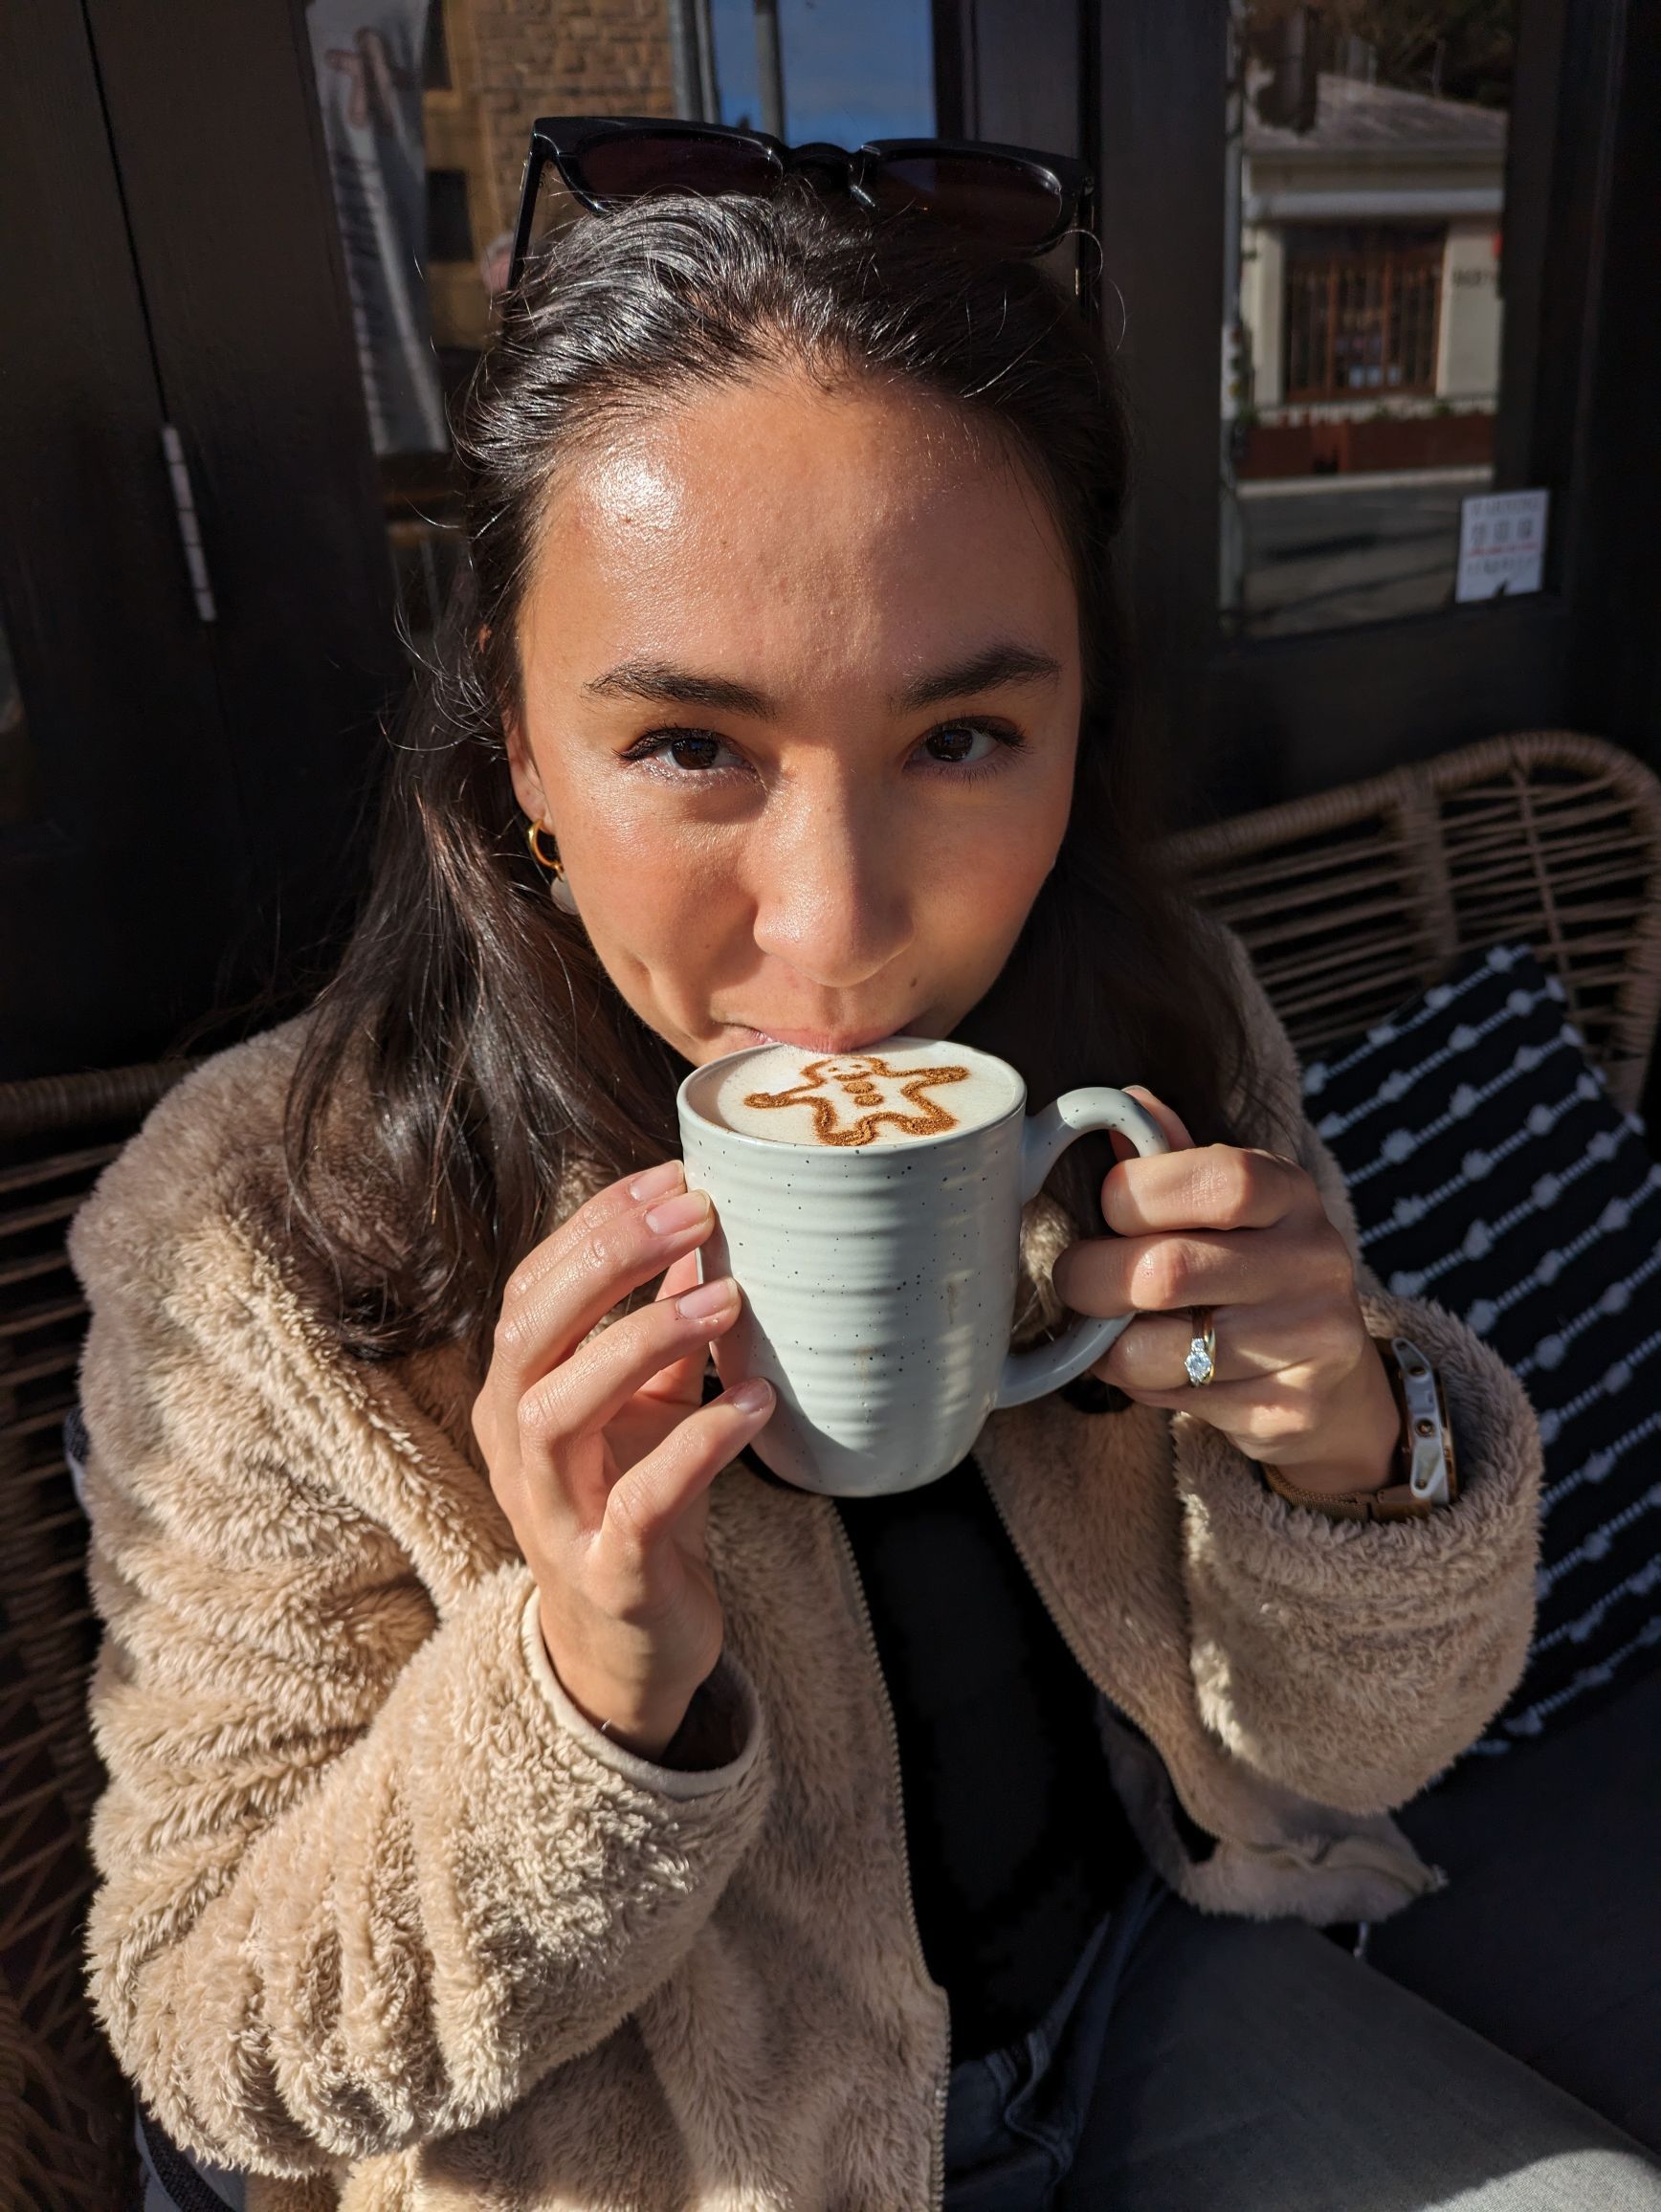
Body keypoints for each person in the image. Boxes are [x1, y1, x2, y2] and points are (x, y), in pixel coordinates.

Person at [72, 160, 1661, 2212]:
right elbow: (220, 2052)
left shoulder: (1161, 1040)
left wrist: (1351, 1457)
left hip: (1139, 1993)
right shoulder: (267, 1232)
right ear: (521, 750)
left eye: (966, 735)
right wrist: (584, 1686)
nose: (833, 933)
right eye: (688, 747)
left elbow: (1359, 1758)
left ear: (1080, 718)